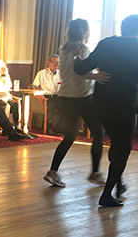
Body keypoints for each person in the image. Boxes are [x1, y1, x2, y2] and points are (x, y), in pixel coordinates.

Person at [74, 14, 138, 207]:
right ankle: (107, 195)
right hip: (124, 105)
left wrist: (76, 59)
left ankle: (119, 184)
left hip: (101, 103)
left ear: (123, 28)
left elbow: (82, 68)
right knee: (122, 148)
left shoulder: (106, 43)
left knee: (117, 143)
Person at [43, 19, 110, 188]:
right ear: (84, 32)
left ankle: (53, 171)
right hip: (82, 97)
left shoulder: (63, 49)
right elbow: (80, 71)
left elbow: (72, 70)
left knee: (70, 136)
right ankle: (95, 173)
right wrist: (96, 76)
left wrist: (92, 73)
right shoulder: (83, 49)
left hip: (65, 97)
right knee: (98, 132)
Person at [32, 54, 62, 135]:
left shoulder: (61, 74)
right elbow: (34, 86)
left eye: (58, 63)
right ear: (49, 63)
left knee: (67, 106)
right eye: (55, 62)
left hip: (58, 96)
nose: (57, 65)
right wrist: (40, 94)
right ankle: (50, 127)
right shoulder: (41, 73)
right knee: (51, 106)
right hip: (47, 96)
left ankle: (59, 127)